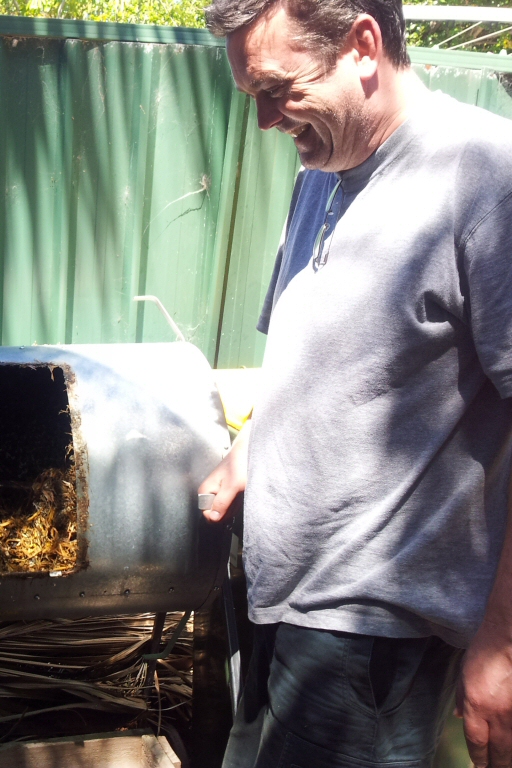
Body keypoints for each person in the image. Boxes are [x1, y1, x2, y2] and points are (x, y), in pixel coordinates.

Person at [197, 1, 512, 767]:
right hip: (281, 603)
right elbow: (321, 359)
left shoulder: (484, 179)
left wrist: (503, 643)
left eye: (278, 89)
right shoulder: (323, 170)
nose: (265, 120)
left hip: (376, 641)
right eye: (252, 96)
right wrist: (251, 446)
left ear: (363, 46)